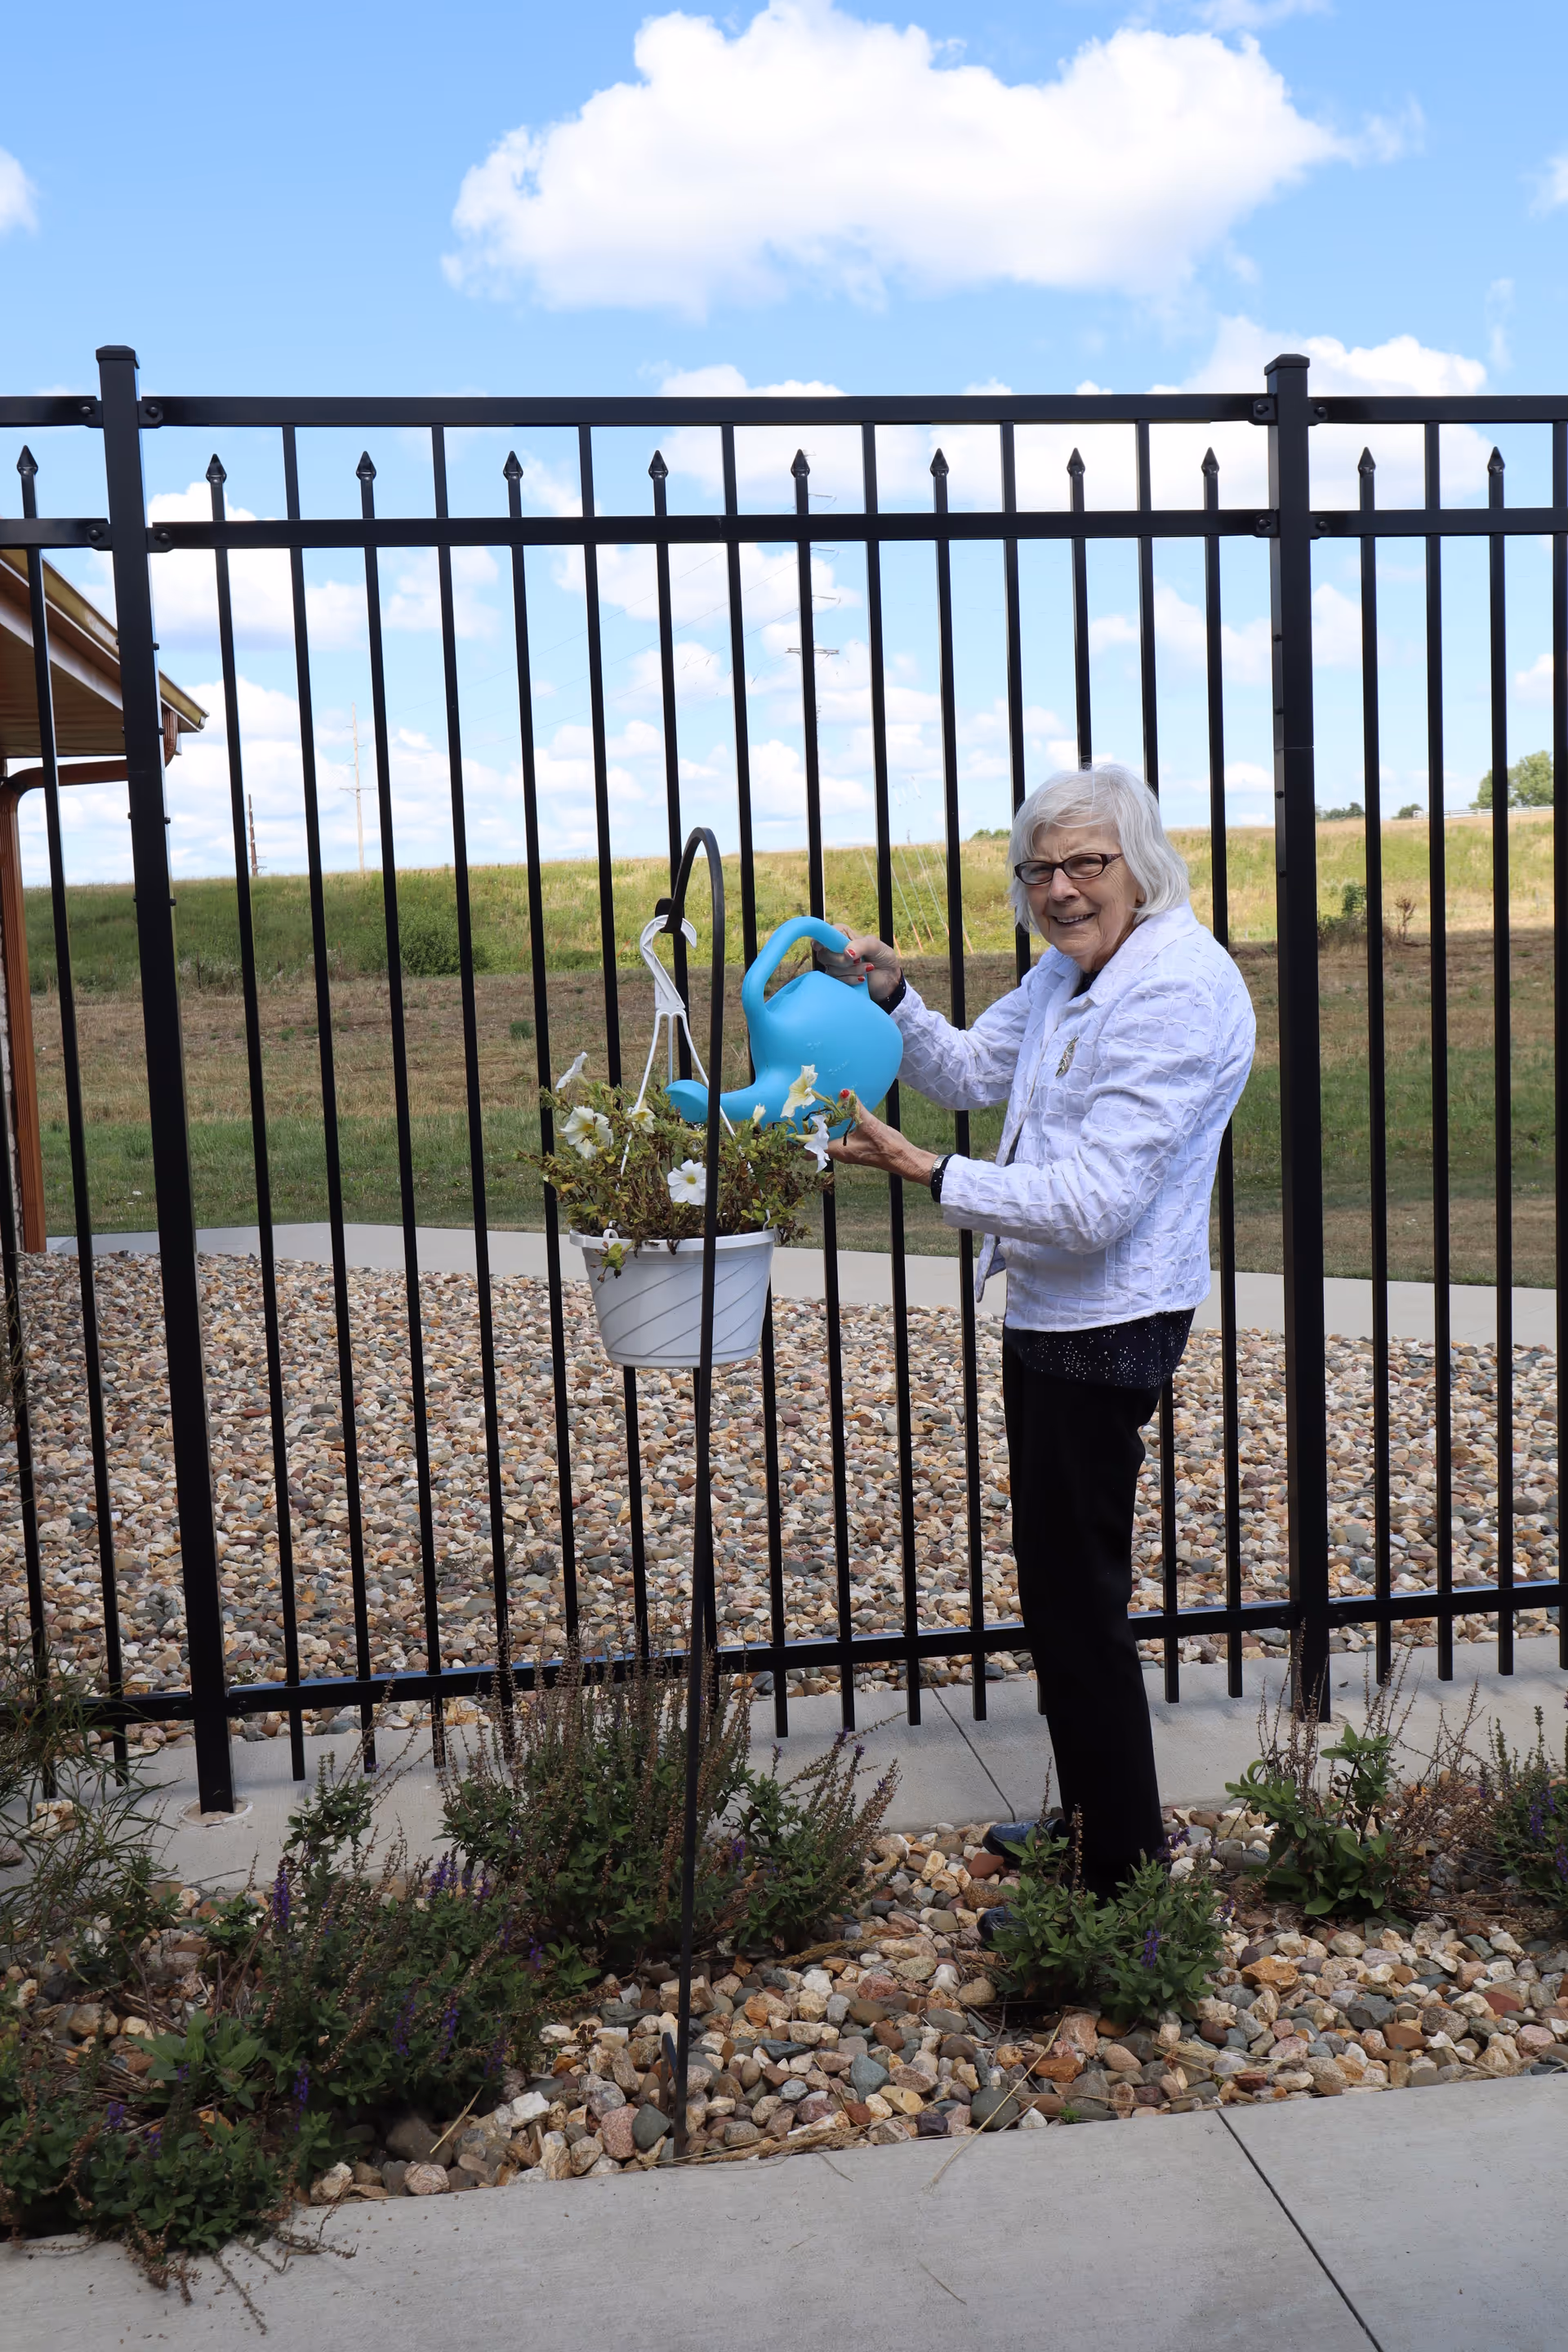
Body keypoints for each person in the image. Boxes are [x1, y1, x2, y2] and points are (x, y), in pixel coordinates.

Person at [822, 762, 1255, 1899]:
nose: (1060, 889)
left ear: (1140, 864)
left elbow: (1094, 1201)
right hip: (1055, 1309)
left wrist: (924, 1167)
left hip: (1108, 1318)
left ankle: (1121, 1872)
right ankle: (1095, 1820)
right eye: (1041, 869)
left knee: (1078, 1603)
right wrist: (892, 998)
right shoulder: (1070, 976)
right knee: (1061, 1589)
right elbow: (968, 1067)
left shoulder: (1174, 991)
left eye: (1085, 864)